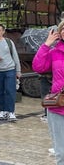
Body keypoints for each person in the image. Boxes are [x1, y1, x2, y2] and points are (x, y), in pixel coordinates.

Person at [33, 22, 64, 165]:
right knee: (61, 152)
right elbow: (38, 67)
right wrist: (46, 44)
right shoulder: (55, 52)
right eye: (63, 29)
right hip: (58, 106)